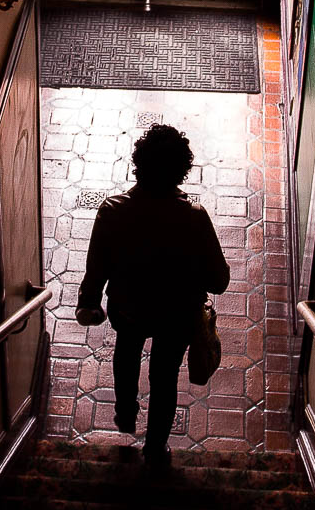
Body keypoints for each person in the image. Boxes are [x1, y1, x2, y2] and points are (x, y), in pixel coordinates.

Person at [75, 123, 230, 470]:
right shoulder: (194, 218)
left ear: (138, 164)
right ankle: (155, 447)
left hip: (127, 309)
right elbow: (219, 280)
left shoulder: (113, 210)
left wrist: (88, 302)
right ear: (182, 171)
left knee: (126, 354)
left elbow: (96, 267)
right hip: (176, 316)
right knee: (165, 376)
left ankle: (126, 414)